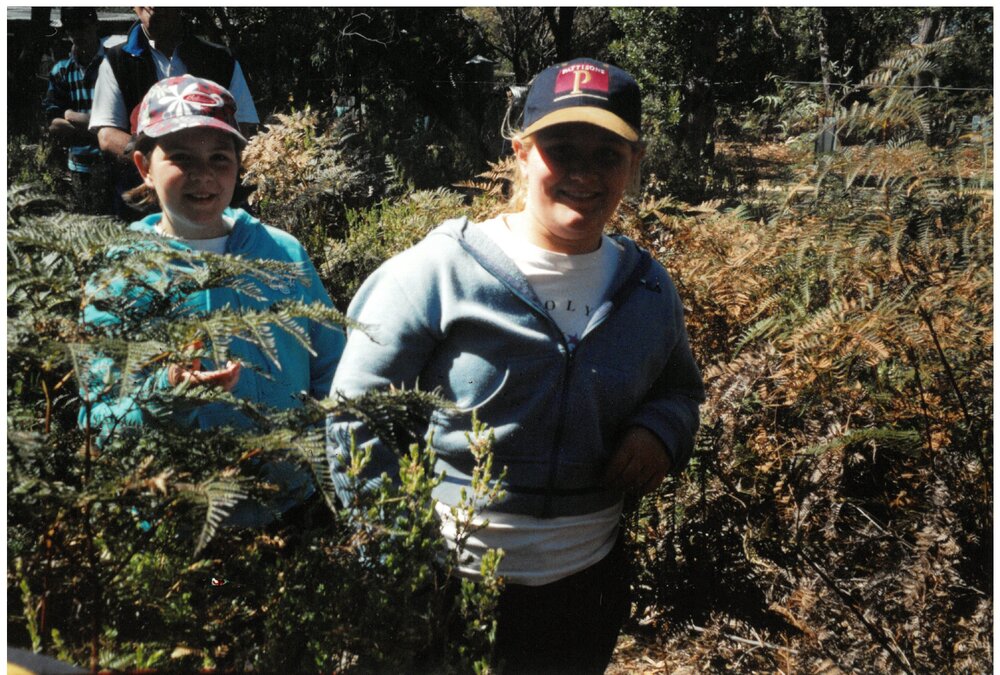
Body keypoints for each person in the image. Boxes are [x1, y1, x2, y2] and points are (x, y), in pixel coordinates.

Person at [327, 58, 705, 673]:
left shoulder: (647, 289)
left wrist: (659, 433)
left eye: (608, 154)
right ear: (522, 153)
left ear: (633, 165)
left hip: (582, 591)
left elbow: (680, 391)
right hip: (447, 587)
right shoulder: (440, 271)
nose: (584, 173)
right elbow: (355, 413)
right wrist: (395, 549)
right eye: (561, 149)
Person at [79, 74, 343, 527]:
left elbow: (335, 369)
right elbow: (100, 411)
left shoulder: (283, 253)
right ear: (144, 166)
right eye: (180, 157)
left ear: (239, 166)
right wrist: (167, 394)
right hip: (169, 518)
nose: (204, 175)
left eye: (219, 159)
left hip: (286, 510)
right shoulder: (120, 270)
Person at [88, 7, 259, 221]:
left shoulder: (220, 59)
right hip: (143, 202)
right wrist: (163, 166)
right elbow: (107, 134)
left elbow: (241, 128)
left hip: (212, 199)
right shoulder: (116, 60)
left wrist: (206, 166)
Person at [43, 7, 112, 214]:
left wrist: (71, 116)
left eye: (82, 26)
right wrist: (98, 130)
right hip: (79, 167)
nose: (77, 34)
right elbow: (54, 124)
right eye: (71, 28)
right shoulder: (61, 70)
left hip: (112, 164)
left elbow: (123, 123)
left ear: (95, 25)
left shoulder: (114, 63)